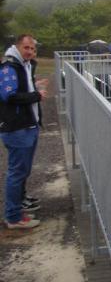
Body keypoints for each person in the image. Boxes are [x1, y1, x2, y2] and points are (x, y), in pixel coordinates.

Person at [1, 34, 48, 229]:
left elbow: (19, 90)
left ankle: (19, 203)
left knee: (23, 170)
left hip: (28, 125)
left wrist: (34, 88)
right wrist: (36, 95)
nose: (30, 52)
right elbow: (8, 96)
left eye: (33, 49)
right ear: (17, 47)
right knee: (17, 172)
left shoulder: (25, 65)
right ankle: (13, 217)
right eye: (26, 47)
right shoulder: (10, 66)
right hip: (17, 128)